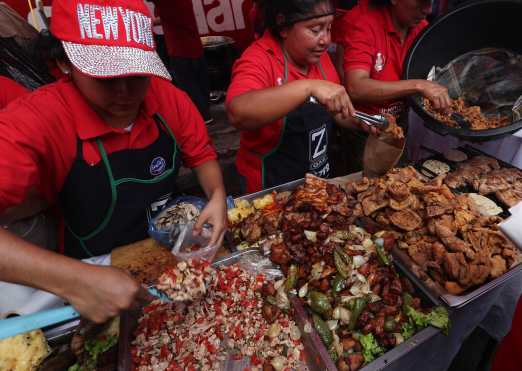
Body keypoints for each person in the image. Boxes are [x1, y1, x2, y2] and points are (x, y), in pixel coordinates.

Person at [0, 0, 227, 323]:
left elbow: (202, 156)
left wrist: (216, 194)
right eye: (105, 77)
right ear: (65, 62)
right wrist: (73, 280)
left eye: (136, 75)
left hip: (160, 251)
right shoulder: (38, 118)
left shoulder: (166, 96)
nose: (124, 91)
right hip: (86, 269)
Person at [226, 0, 369, 194]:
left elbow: (336, 110)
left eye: (328, 28)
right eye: (315, 29)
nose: (325, 40)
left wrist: (361, 121)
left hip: (316, 183)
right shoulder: (259, 58)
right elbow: (238, 112)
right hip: (271, 188)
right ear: (283, 26)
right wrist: (308, 86)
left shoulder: (320, 57)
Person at [340, 0, 451, 117]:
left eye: (431, 2)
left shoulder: (421, 29)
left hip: (405, 120)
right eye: (420, 1)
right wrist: (418, 86)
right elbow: (356, 88)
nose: (428, 10)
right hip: (365, 126)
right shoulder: (365, 27)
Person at [152, 0, 212, 124]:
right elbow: (168, 17)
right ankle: (205, 113)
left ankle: (202, 116)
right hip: (194, 48)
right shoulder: (175, 5)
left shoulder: (167, 4)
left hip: (180, 52)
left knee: (189, 87)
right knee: (199, 84)